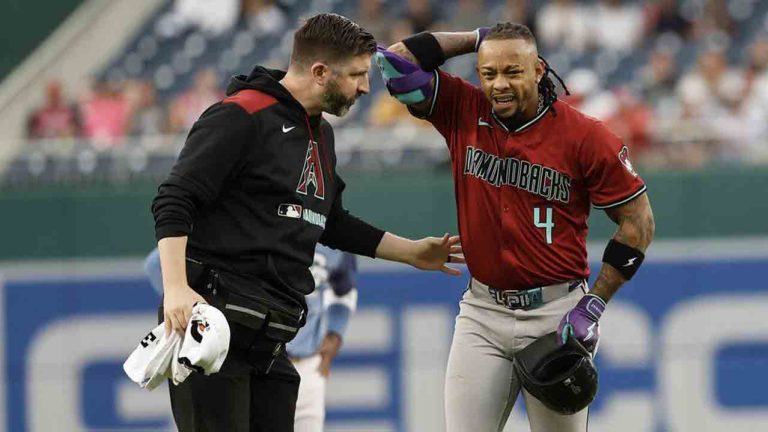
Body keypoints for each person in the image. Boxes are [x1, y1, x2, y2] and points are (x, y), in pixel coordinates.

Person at [151, 13, 464, 432]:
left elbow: (330, 221)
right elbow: (174, 198)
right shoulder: (241, 115)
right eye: (356, 75)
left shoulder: (321, 133)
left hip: (270, 338)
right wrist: (175, 288)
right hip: (215, 324)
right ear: (319, 72)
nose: (365, 87)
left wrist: (411, 252)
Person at [375, 23, 655, 431]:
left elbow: (638, 223)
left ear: (538, 70)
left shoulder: (585, 136)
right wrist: (478, 38)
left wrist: (594, 304)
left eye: (512, 71)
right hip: (482, 314)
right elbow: (395, 62)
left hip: (556, 315)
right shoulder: (463, 107)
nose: (499, 84)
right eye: (489, 73)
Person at [143, 244, 358, 432]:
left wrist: (335, 332)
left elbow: (344, 288)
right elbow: (158, 262)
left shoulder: (329, 232)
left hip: (305, 361)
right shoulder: (251, 221)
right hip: (245, 356)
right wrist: (192, 303)